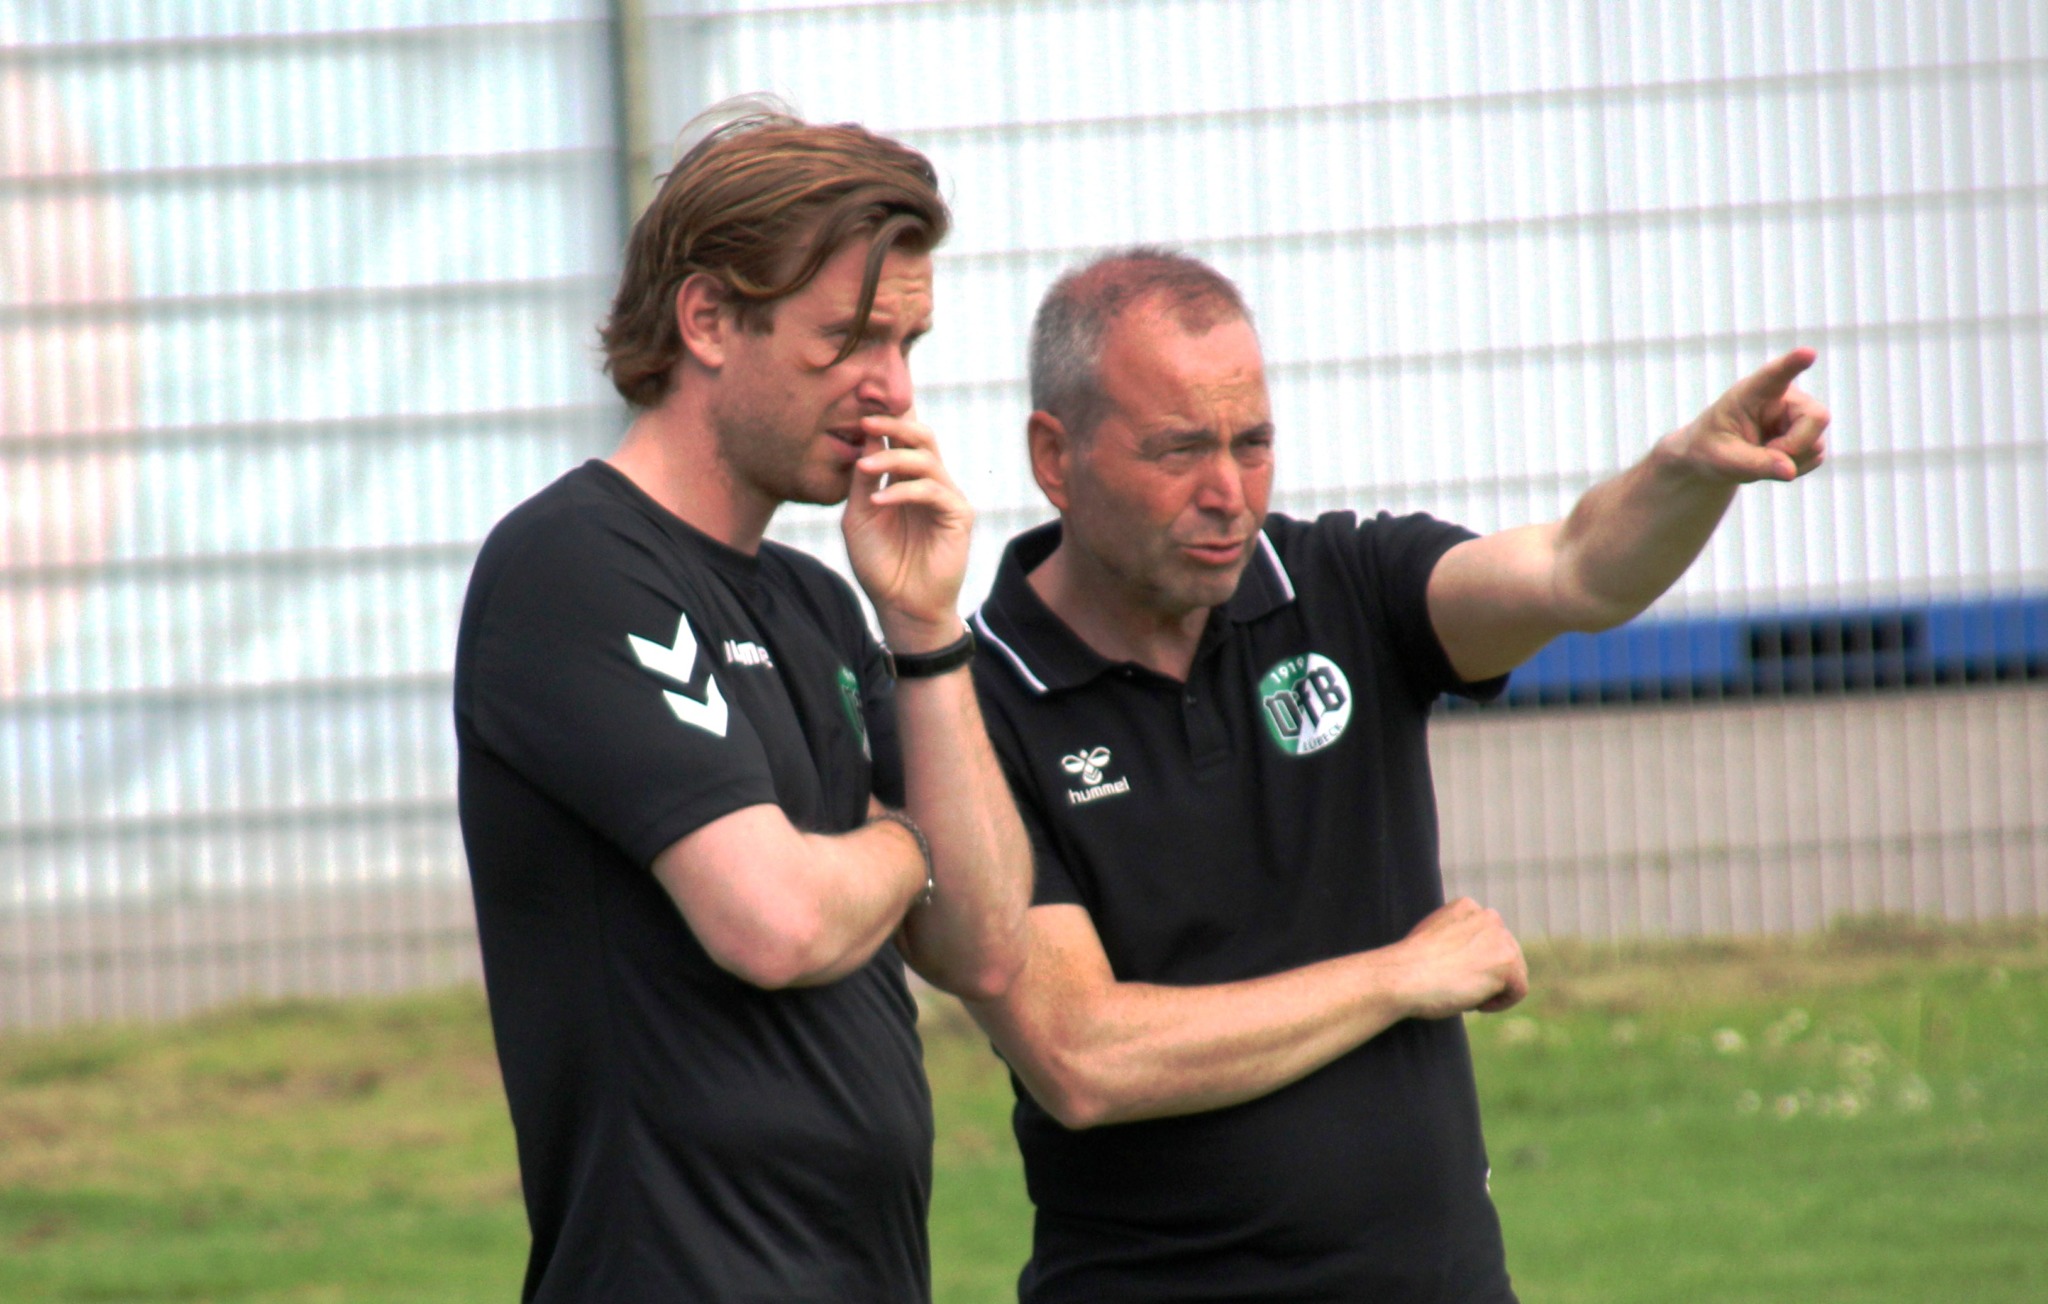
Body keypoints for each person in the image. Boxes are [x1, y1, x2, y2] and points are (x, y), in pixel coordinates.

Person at [964, 247, 1830, 1302]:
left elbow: (1575, 569)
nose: (1227, 493)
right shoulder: (972, 710)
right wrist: (1397, 976)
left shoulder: (1342, 585)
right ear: (1055, 457)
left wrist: (1687, 472)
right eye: (1178, 449)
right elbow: (1083, 1055)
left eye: (1252, 443)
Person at [452, 103, 1031, 1303]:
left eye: (907, 345)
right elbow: (773, 920)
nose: (890, 391)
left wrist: (926, 628)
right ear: (707, 318)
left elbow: (980, 941)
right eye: (847, 340)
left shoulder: (820, 602)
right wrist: (906, 845)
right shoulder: (572, 566)